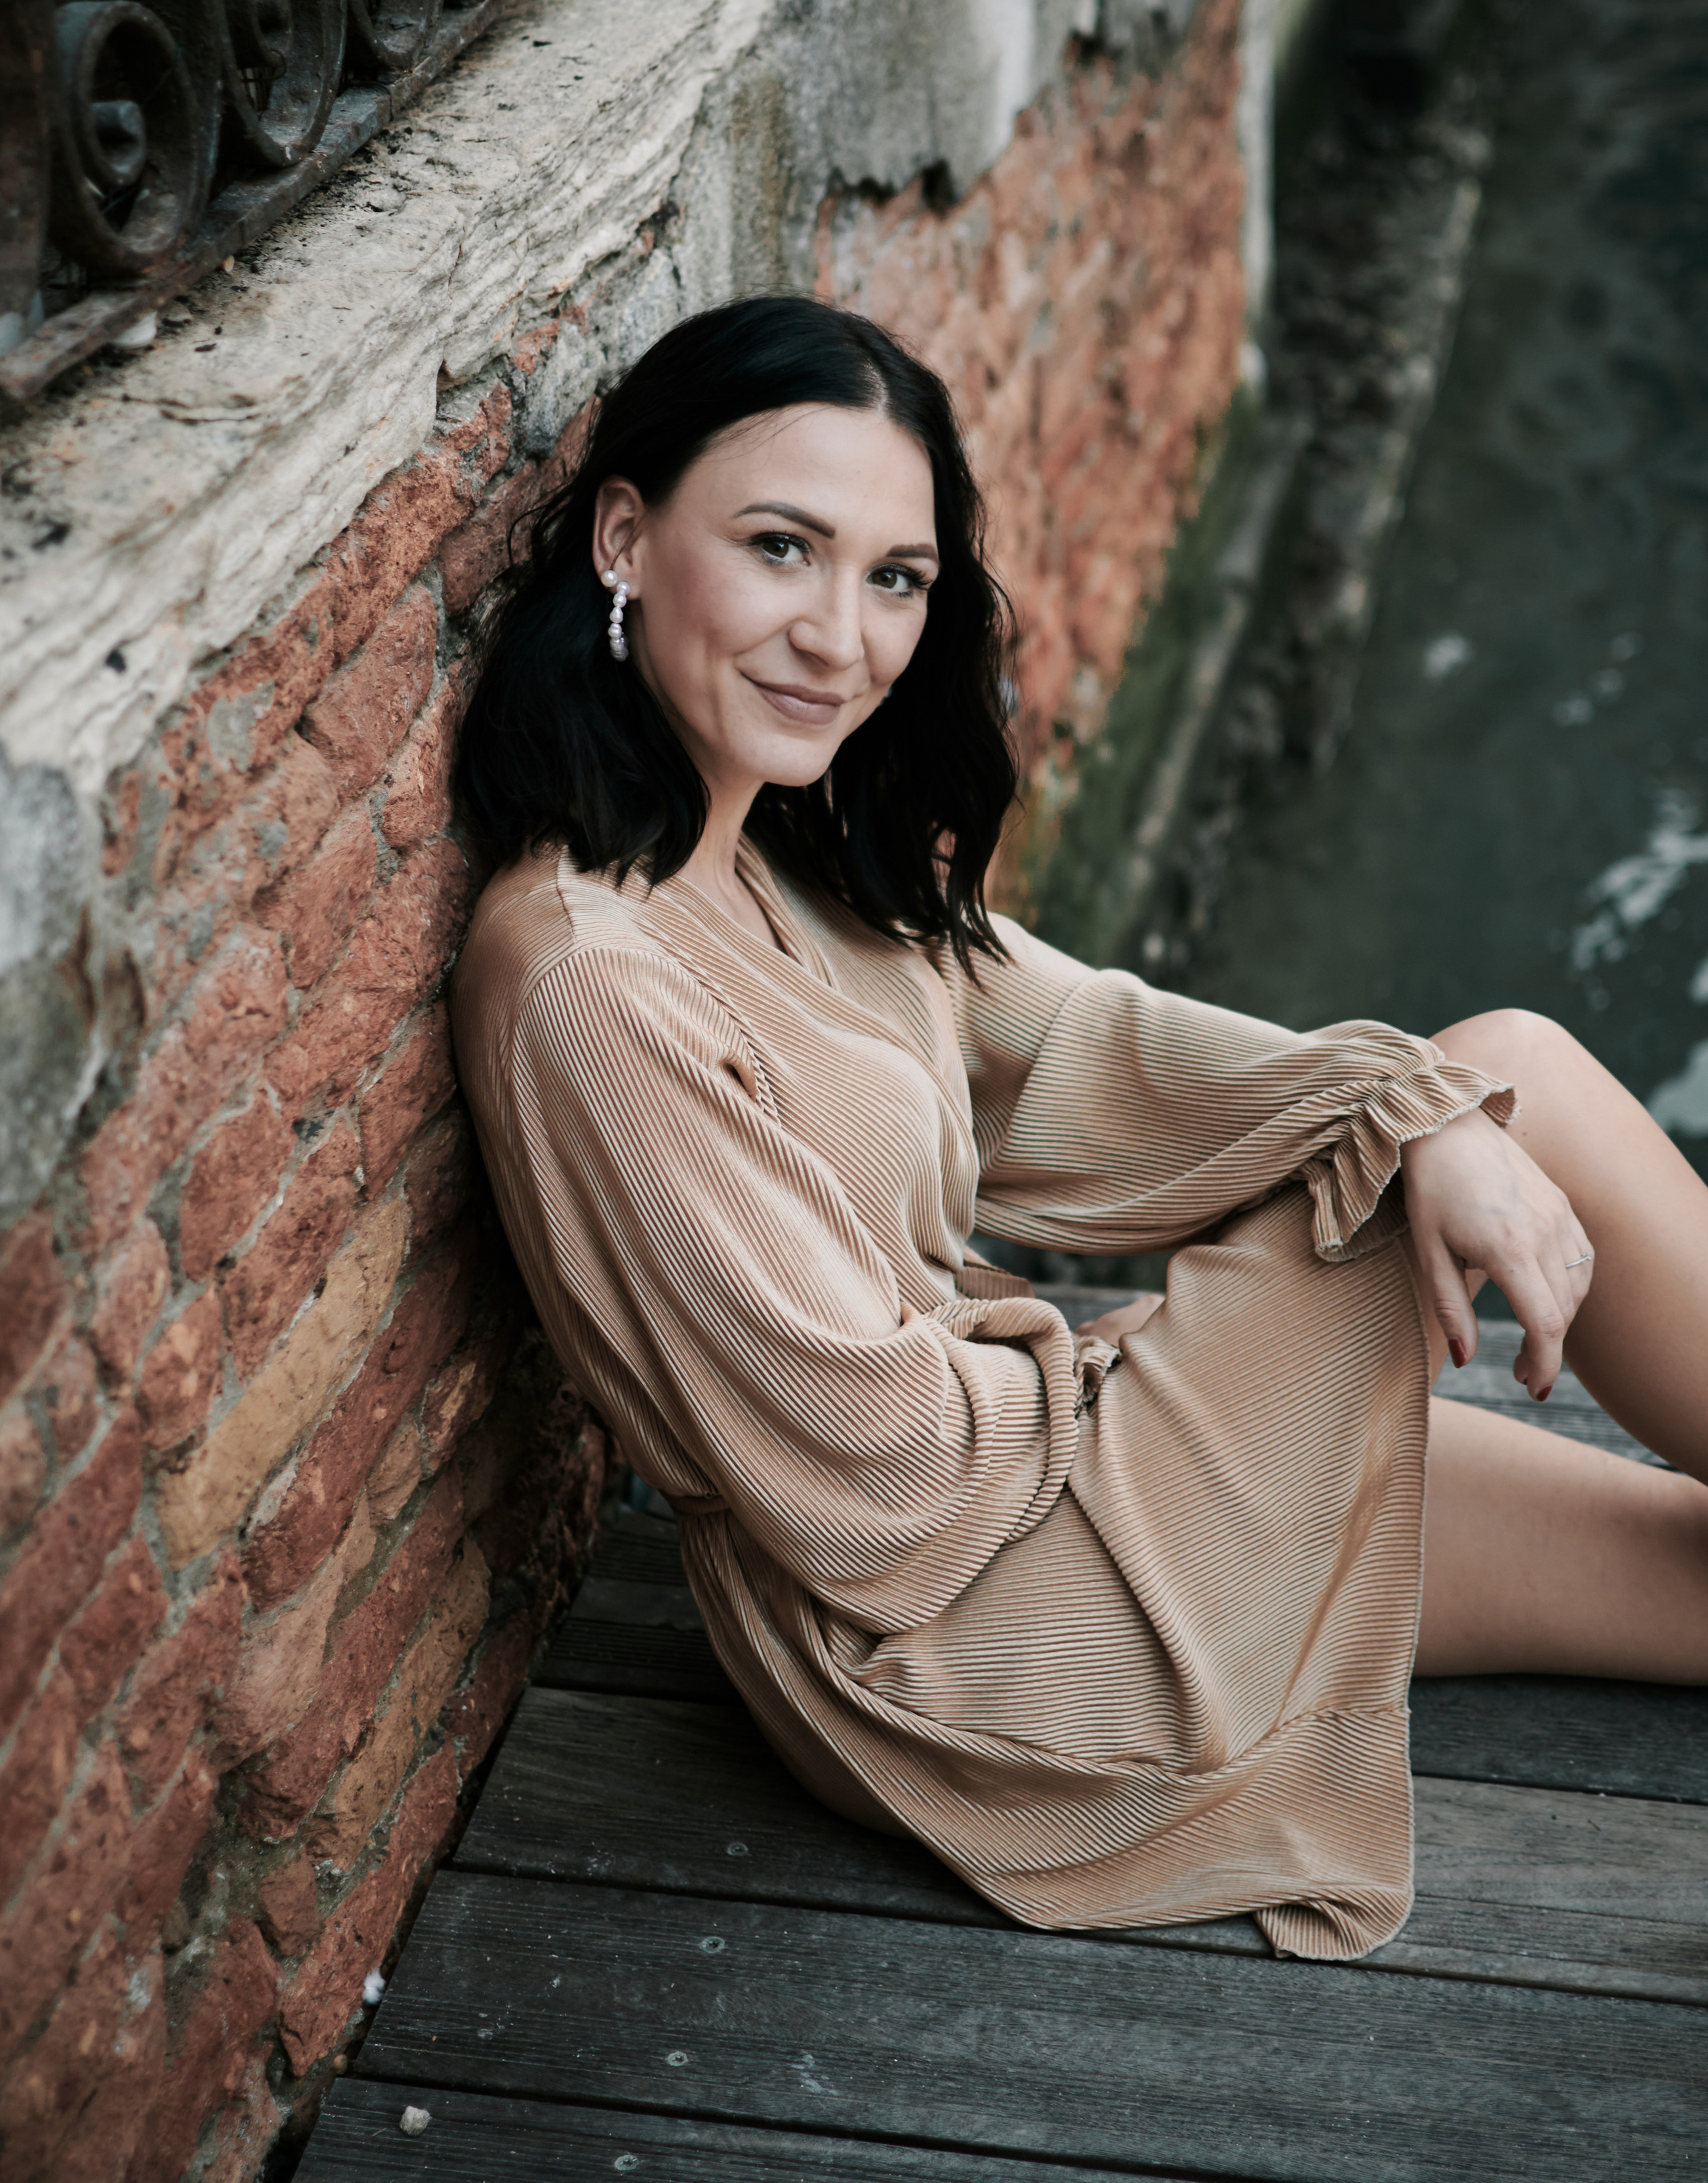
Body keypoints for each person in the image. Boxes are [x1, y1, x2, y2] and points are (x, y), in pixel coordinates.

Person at [450, 294, 1708, 1961]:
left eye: (894, 579)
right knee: (1518, 1065)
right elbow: (876, 1485)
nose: (841, 635)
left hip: (1054, 1498)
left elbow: (1089, 1055)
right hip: (968, 1641)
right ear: (626, 535)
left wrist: (1410, 1116)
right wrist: (1120, 1357)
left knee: (1674, 1554)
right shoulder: (583, 983)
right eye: (779, 548)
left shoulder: (786, 859)